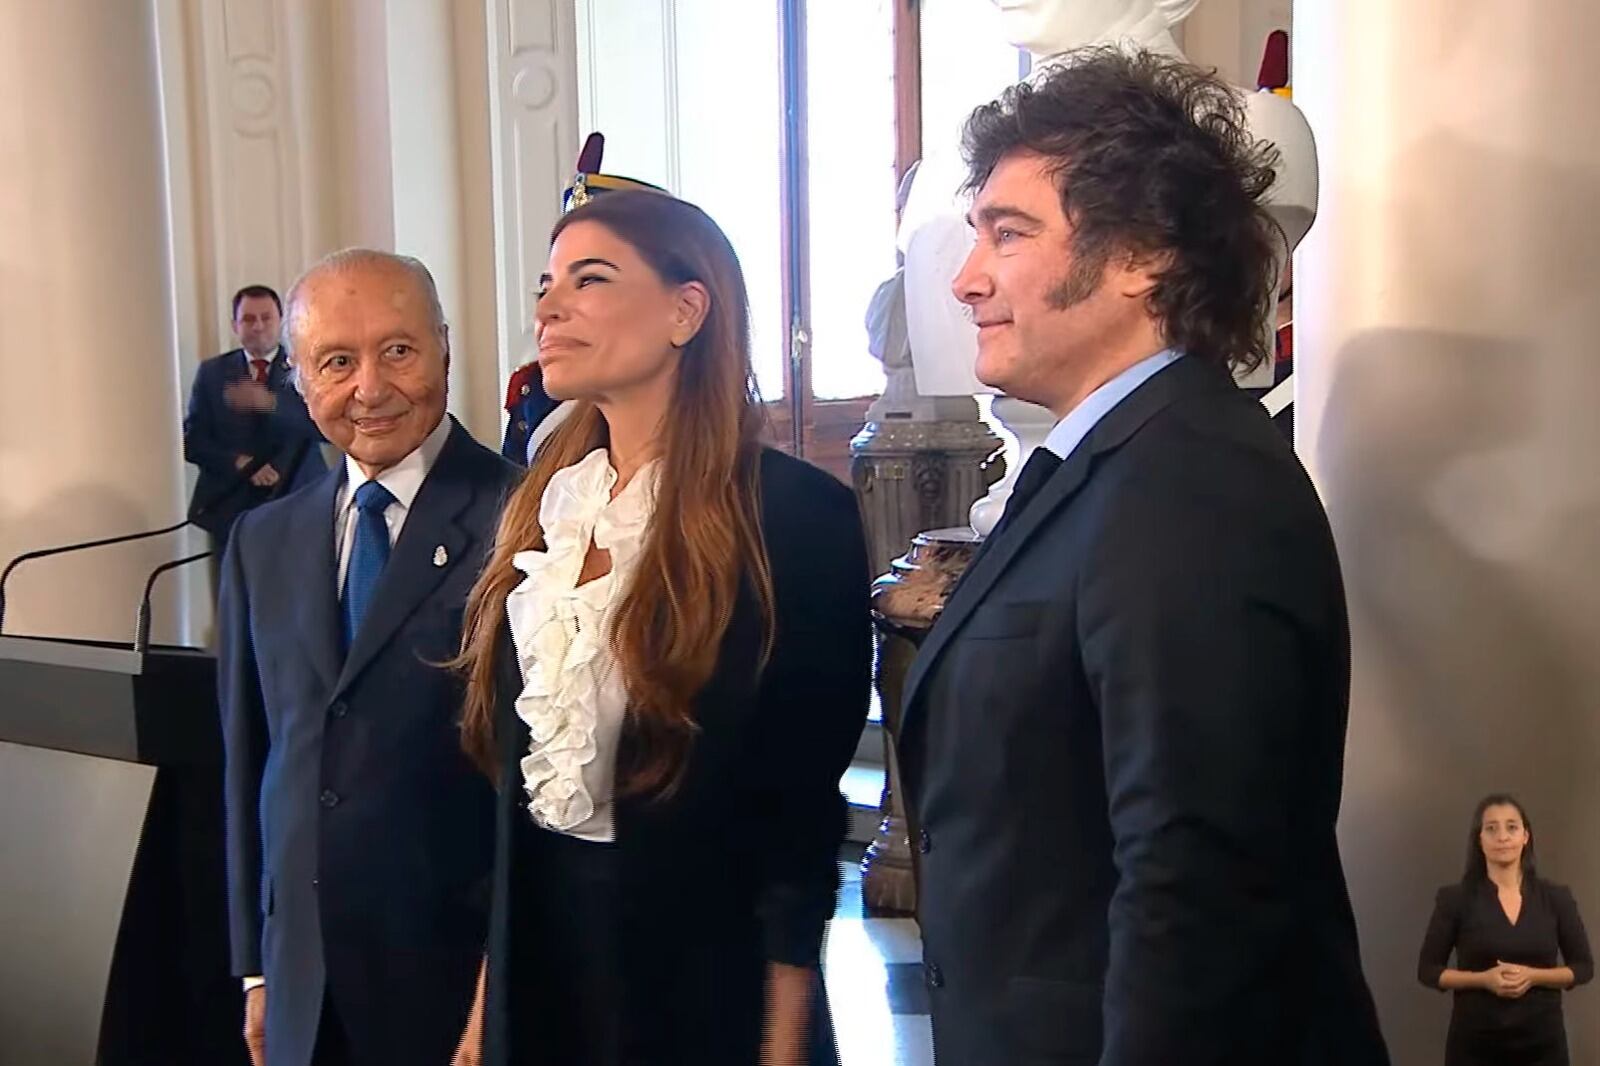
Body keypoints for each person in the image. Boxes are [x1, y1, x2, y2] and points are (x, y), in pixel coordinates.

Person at [897, 49, 1389, 1065]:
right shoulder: (1112, 462)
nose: (965, 278)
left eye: (1008, 233)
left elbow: (1194, 889)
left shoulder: (1192, 481)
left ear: (1140, 257)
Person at [448, 188, 872, 1066]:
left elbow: (797, 816)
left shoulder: (792, 518)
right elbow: (511, 806)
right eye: (547, 284)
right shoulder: (543, 508)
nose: (549, 308)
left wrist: (783, 1041)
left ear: (687, 310)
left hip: (700, 981)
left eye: (590, 279)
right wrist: (486, 1013)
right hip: (543, 971)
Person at [218, 250, 520, 1066]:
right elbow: (253, 762)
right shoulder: (262, 540)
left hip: (458, 983)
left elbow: (537, 795)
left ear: (444, 348)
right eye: (337, 363)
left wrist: (503, 990)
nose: (370, 388)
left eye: (398, 351)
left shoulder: (526, 518)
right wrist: (256, 967)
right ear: (299, 379)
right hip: (303, 983)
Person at [1418, 794, 1594, 1065]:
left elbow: (1583, 968)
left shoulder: (1556, 897)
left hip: (1543, 1045)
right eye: (1491, 828)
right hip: (1475, 1045)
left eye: (1511, 827)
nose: (1502, 837)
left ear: (1525, 836)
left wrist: (1533, 976)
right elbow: (1428, 971)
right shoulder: (1455, 899)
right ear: (1479, 840)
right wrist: (1483, 979)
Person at [184, 284, 327, 585]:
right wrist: (238, 463)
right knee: (235, 599)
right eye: (249, 319)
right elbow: (193, 442)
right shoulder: (212, 373)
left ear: (282, 322)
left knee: (298, 597)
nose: (258, 326)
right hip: (231, 511)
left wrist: (272, 403)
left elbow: (327, 428)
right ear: (235, 325)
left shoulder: (309, 369)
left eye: (266, 318)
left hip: (298, 505)